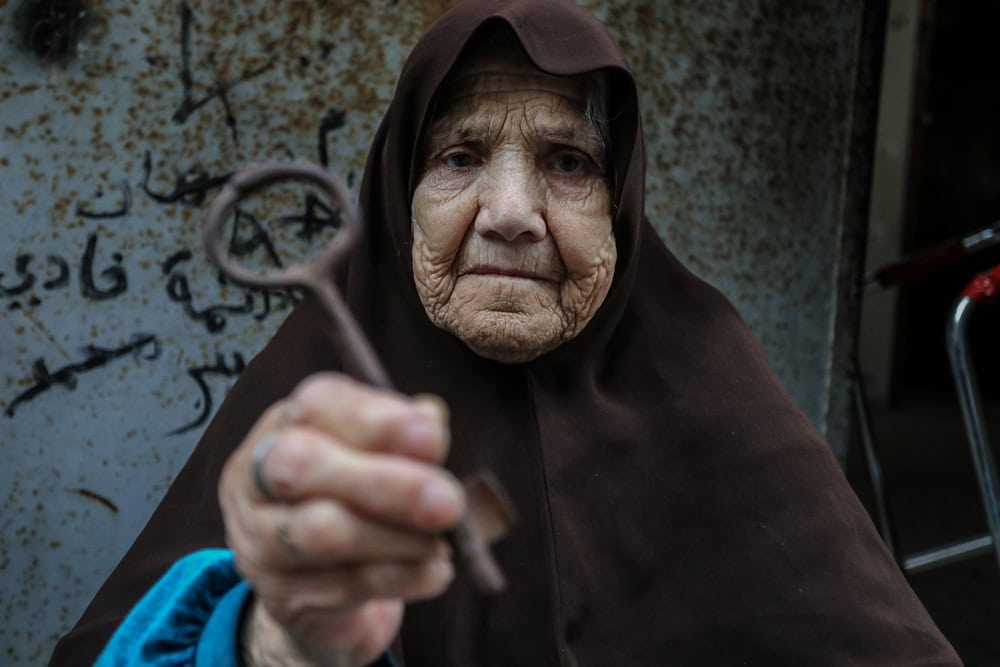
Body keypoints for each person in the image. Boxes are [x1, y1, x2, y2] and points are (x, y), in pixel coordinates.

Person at [51, 1, 962, 665]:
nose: (512, 214)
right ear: (400, 196)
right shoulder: (314, 403)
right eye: (459, 157)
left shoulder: (714, 387)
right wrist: (272, 641)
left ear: (621, 207)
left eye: (568, 163)